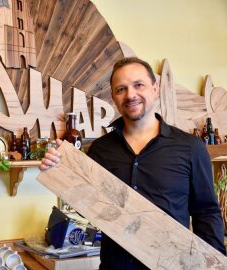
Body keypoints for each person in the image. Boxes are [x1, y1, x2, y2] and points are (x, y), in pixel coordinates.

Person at [39, 57, 226, 269]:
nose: (130, 95)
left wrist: (215, 264)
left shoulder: (191, 148)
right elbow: (88, 210)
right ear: (113, 96)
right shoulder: (100, 150)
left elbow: (206, 212)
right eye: (121, 89)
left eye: (139, 85)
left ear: (155, 89)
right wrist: (60, 173)